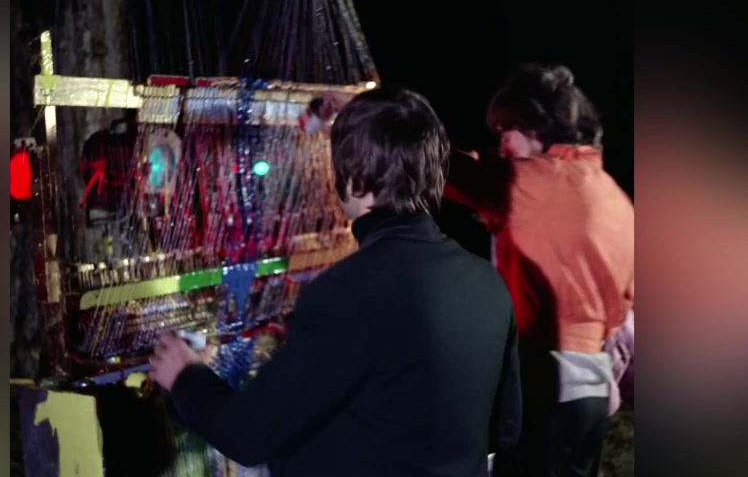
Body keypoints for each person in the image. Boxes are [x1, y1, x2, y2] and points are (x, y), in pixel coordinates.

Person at [149, 87, 522, 477]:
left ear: (354, 182)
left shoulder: (344, 293)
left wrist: (184, 377)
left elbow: (248, 434)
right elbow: (504, 430)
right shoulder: (489, 286)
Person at [444, 64, 634, 477]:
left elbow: (436, 168)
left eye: (504, 131)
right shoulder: (613, 196)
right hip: (593, 392)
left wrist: (354, 115)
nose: (501, 146)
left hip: (543, 385)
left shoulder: (529, 182)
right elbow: (624, 303)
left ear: (534, 126)